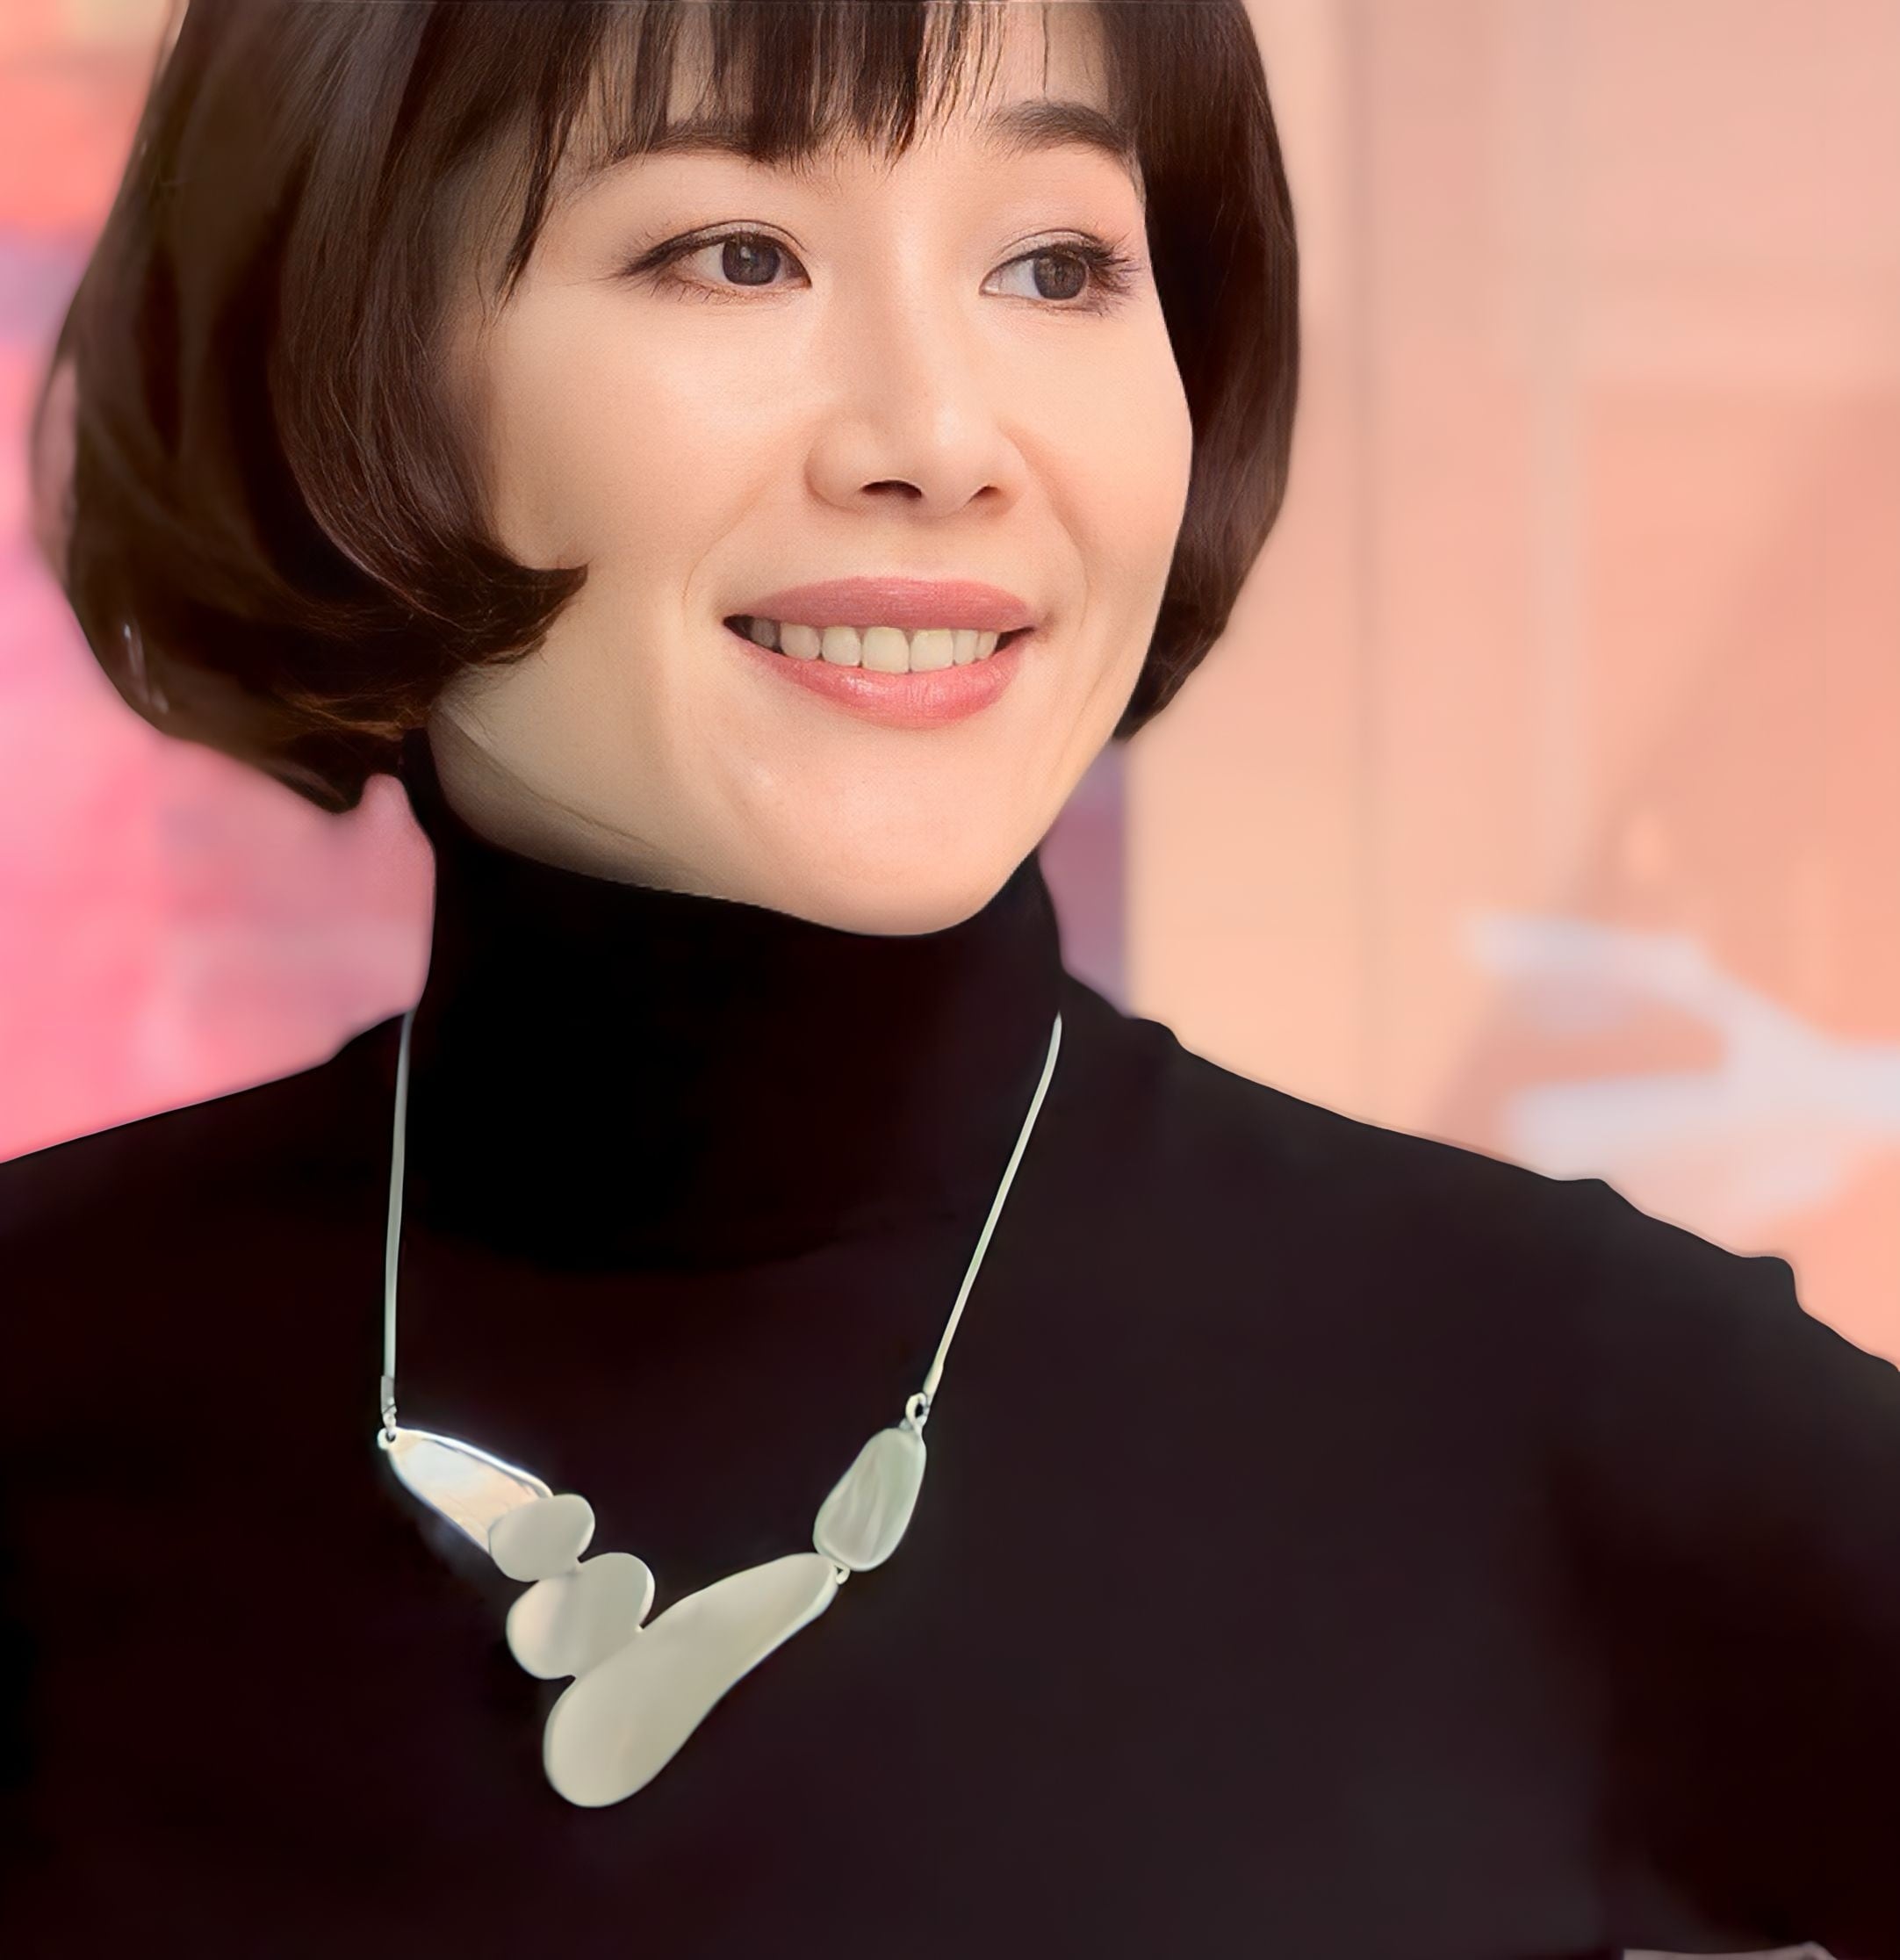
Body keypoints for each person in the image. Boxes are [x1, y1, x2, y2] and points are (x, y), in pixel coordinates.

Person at [3, 2, 1896, 1955]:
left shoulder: (1545, 1397)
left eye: (1056, 266)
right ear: (332, 342)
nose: (937, 440)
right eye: (733, 253)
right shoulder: (47, 1382)